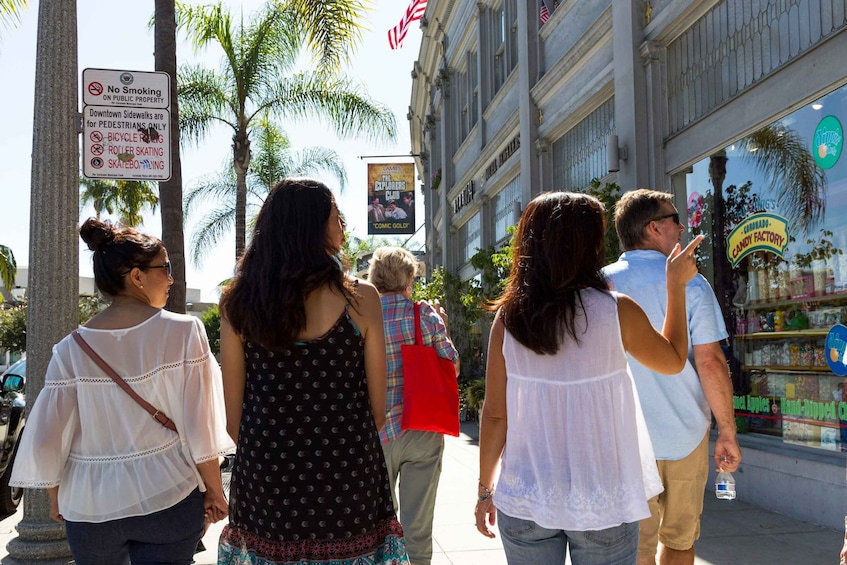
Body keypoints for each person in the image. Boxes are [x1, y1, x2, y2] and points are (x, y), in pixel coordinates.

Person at [475, 192, 703, 565]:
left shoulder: (508, 320)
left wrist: (486, 490)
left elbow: (495, 414)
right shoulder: (616, 311)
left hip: (527, 492)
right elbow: (675, 359)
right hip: (603, 496)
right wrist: (674, 286)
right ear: (589, 244)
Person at [10, 218, 233, 565]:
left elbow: (46, 439)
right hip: (169, 495)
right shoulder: (185, 333)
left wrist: (57, 497)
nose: (171, 278)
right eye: (166, 268)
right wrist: (215, 490)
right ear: (137, 276)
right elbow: (199, 424)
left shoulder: (70, 349)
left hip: (89, 507)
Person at [217, 178, 409, 564]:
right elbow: (377, 408)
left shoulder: (237, 302)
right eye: (336, 217)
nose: (343, 226)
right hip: (348, 471)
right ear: (316, 225)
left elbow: (233, 420)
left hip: (267, 476)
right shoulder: (360, 298)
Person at [603, 188, 742, 565]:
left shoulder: (600, 286)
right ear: (653, 228)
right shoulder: (692, 283)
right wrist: (727, 431)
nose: (681, 228)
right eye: (674, 219)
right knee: (680, 542)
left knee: (635, 549)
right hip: (685, 434)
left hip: (624, 441)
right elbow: (710, 361)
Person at [367, 246, 459, 565]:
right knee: (417, 528)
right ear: (409, 279)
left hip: (375, 434)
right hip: (422, 430)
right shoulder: (423, 314)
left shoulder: (363, 317)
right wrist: (442, 326)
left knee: (378, 527)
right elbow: (452, 364)